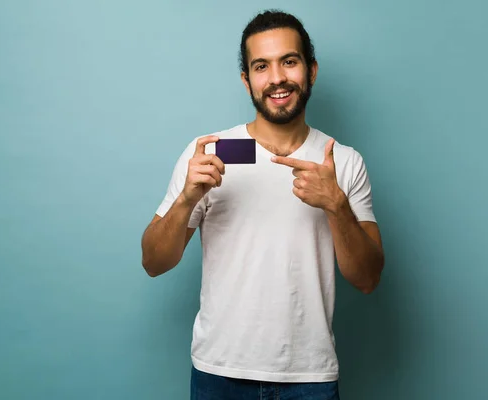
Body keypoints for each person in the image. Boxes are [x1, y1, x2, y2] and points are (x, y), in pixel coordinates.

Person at [141, 9, 385, 400]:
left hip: (310, 378)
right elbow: (154, 262)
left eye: (289, 61)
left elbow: (368, 279)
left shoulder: (341, 160)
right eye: (261, 66)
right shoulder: (218, 152)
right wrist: (187, 199)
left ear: (312, 69)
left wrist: (336, 206)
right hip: (219, 373)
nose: (276, 79)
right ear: (246, 79)